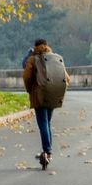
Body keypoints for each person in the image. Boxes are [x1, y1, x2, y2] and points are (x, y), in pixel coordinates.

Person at [22, 38, 70, 169]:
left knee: (43, 123)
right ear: (47, 46)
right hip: (53, 95)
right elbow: (67, 78)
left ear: (35, 47)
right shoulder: (55, 59)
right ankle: (48, 152)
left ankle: (47, 151)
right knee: (47, 123)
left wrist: (30, 89)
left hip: (39, 95)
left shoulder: (33, 59)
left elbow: (26, 77)